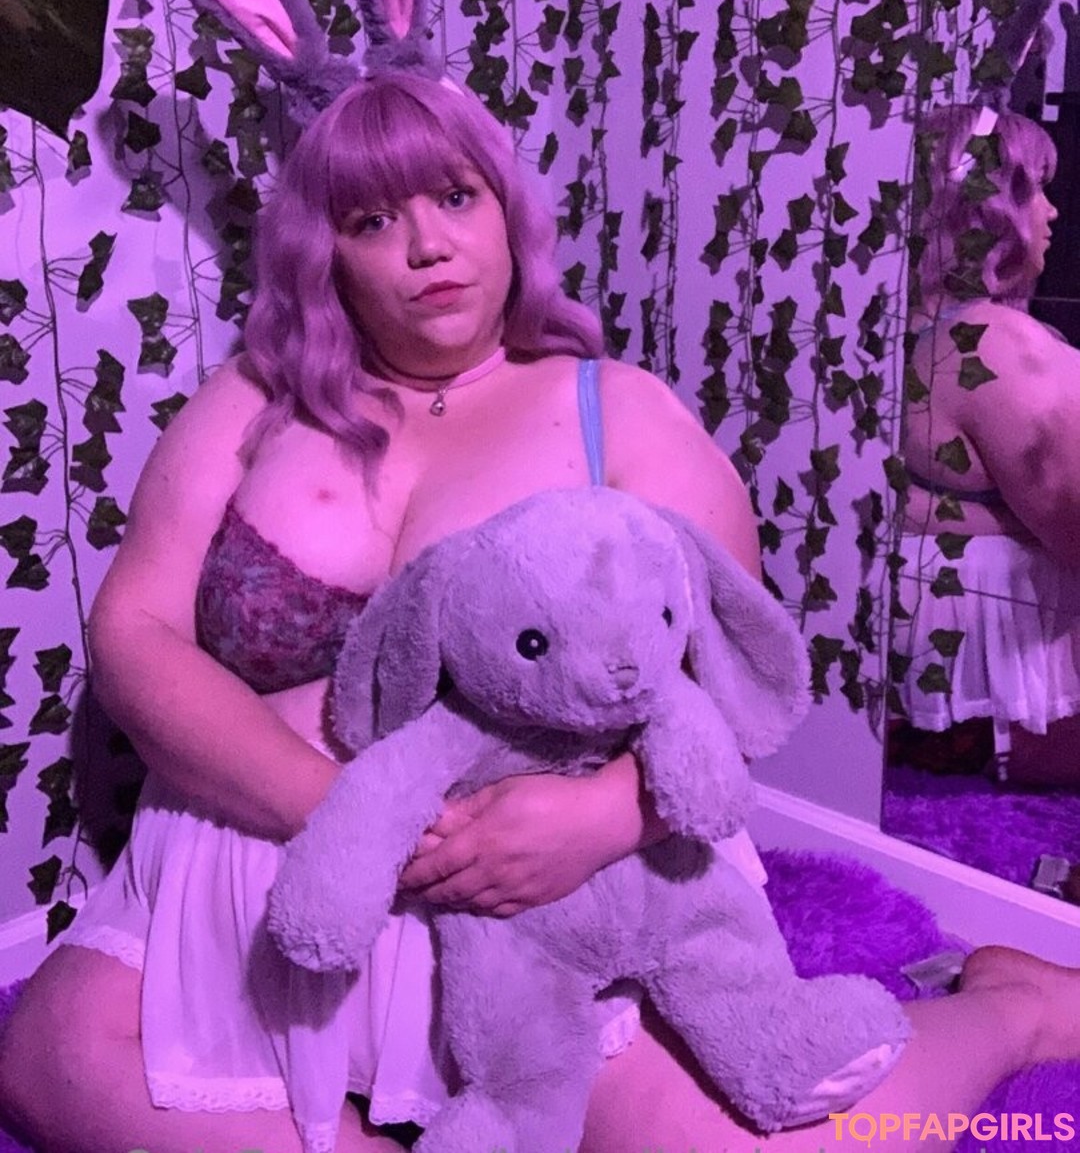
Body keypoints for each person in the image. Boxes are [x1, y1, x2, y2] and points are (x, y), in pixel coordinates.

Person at [1, 75, 1078, 1153]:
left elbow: (729, 677)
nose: (427, 245)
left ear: (507, 212)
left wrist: (602, 816)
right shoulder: (252, 397)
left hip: (554, 894)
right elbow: (135, 635)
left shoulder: (619, 409)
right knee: (52, 1062)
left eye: (455, 198)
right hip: (259, 853)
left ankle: (1013, 1007)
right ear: (327, 254)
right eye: (373, 220)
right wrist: (349, 817)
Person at [897, 103, 1080, 784]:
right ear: (985, 213)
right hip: (1023, 726)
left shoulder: (893, 330)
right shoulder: (991, 344)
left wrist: (988, 517)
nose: (1052, 213)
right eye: (1035, 191)